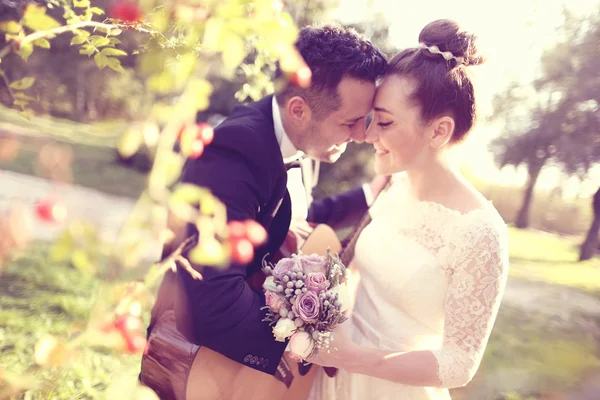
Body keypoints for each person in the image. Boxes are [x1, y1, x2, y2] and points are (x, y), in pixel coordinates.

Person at [140, 23, 388, 398]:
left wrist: (369, 194)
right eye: (350, 121)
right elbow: (215, 300)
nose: (360, 135)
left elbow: (292, 224)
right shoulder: (234, 153)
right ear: (299, 110)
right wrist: (305, 347)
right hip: (197, 368)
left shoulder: (295, 141)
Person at [308, 19, 509, 400]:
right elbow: (352, 271)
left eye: (384, 122)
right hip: (331, 380)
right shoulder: (394, 186)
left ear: (439, 131)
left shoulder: (482, 232)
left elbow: (459, 364)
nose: (367, 135)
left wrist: (356, 359)